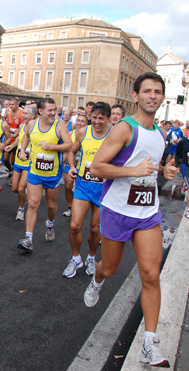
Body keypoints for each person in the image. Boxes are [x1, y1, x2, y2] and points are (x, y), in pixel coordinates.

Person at [86, 72, 178, 367]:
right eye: (148, 91)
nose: (153, 96)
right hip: (117, 211)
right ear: (136, 96)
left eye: (158, 92)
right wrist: (132, 171)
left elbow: (150, 167)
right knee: (110, 268)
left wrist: (164, 172)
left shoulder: (161, 135)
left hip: (147, 214)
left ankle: (150, 345)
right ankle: (97, 278)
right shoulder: (124, 129)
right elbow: (97, 167)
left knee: (151, 275)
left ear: (163, 98)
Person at [16, 98, 73, 251]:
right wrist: (22, 150)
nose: (53, 113)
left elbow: (69, 144)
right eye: (50, 110)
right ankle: (28, 238)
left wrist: (51, 147)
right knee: (33, 203)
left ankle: (50, 224)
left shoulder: (59, 126)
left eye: (54, 110)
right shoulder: (31, 124)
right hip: (34, 172)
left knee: (51, 205)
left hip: (53, 174)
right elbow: (26, 136)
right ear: (40, 111)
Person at [63, 103, 112, 278]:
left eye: (101, 118)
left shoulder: (113, 134)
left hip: (103, 189)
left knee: (94, 229)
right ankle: (76, 259)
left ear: (108, 118)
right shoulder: (83, 132)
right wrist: (71, 167)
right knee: (75, 225)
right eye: (95, 117)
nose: (97, 122)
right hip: (84, 185)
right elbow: (71, 152)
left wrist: (111, 173)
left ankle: (91, 257)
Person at [5, 105, 37, 221]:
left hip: (29, 163)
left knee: (20, 188)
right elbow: (20, 139)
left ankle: (21, 209)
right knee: (14, 188)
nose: (23, 115)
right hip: (18, 161)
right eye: (23, 113)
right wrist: (11, 146)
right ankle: (26, 195)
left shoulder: (37, 128)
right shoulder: (23, 125)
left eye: (26, 113)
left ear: (33, 115)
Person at [61, 112, 87, 217]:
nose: (79, 123)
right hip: (69, 164)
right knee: (68, 187)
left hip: (82, 166)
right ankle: (70, 207)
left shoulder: (88, 135)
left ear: (86, 123)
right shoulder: (70, 133)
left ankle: (78, 209)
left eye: (82, 121)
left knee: (78, 188)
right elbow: (65, 147)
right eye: (78, 121)